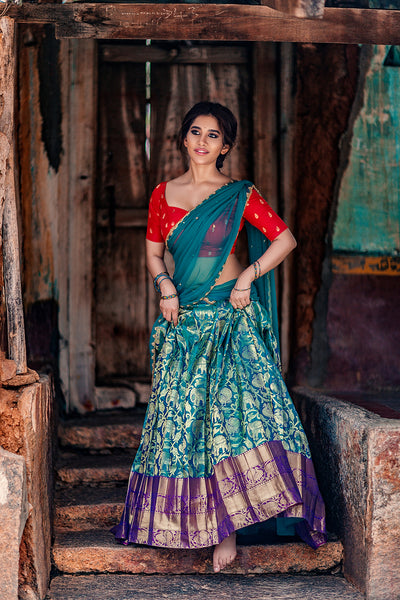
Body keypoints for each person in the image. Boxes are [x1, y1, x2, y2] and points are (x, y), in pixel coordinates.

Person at [111, 101, 327, 573]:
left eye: (214, 135)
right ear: (184, 139)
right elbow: (153, 255)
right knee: (182, 426)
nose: (203, 142)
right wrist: (164, 284)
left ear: (225, 145)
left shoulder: (238, 194)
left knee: (238, 421)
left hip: (232, 323)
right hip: (183, 326)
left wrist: (248, 277)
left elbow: (284, 239)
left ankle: (227, 530)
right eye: (196, 132)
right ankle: (183, 523)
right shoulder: (162, 195)